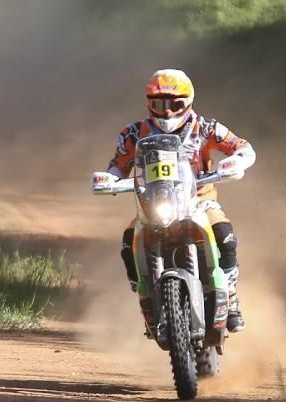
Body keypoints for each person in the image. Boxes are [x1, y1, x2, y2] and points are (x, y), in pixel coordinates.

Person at [96, 69, 256, 332]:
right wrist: (109, 179)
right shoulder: (134, 134)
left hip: (199, 201)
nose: (167, 112)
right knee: (129, 243)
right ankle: (144, 294)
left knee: (225, 236)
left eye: (175, 104)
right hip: (152, 204)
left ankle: (230, 295)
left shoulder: (205, 128)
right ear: (149, 103)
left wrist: (234, 162)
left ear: (188, 102)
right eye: (159, 104)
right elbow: (118, 166)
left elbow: (243, 146)